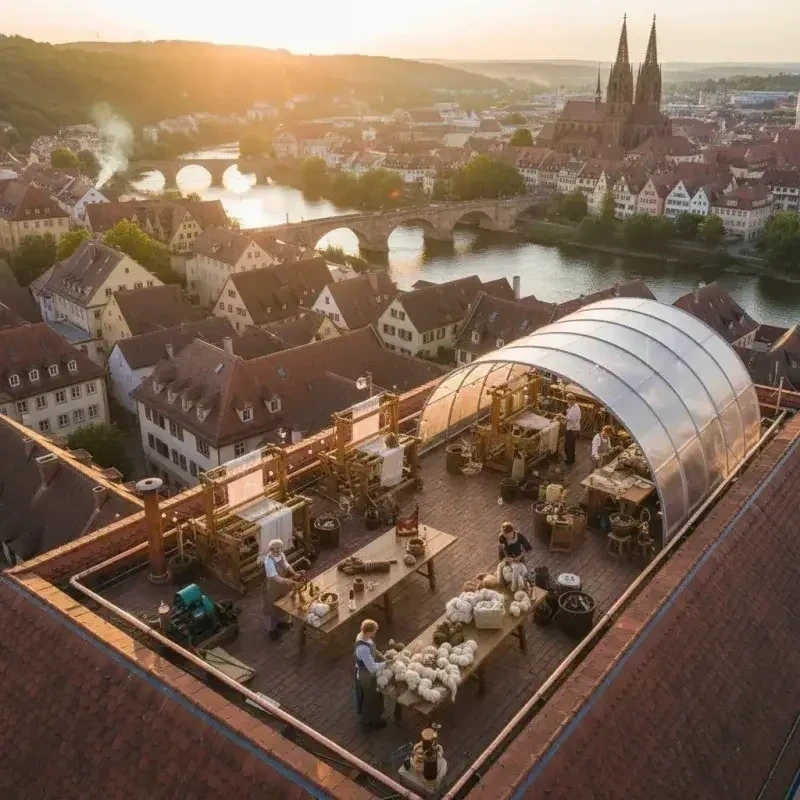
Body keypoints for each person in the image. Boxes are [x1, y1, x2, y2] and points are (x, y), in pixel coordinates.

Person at [262, 539, 300, 641]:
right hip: (274, 586)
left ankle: (280, 622)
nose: (278, 551)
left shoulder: (281, 554)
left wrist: (294, 573)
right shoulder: (268, 561)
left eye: (279, 549)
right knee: (272, 606)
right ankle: (271, 630)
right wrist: (291, 581)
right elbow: (276, 578)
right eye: (275, 550)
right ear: (271, 550)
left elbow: (286, 565)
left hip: (282, 585)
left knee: (282, 603)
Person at [354, 619, 386, 728]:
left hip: (366, 671)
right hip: (366, 675)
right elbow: (372, 668)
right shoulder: (362, 649)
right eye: (373, 632)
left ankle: (373, 717)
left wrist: (382, 656)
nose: (374, 634)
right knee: (371, 699)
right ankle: (371, 721)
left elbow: (372, 647)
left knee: (373, 696)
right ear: (367, 632)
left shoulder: (363, 636)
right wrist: (385, 664)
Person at [564, 393, 581, 466]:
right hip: (574, 429)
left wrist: (562, 416)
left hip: (572, 430)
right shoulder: (575, 406)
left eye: (568, 400)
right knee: (571, 445)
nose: (567, 402)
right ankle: (572, 460)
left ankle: (569, 461)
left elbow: (569, 418)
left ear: (571, 400)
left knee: (568, 446)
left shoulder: (574, 409)